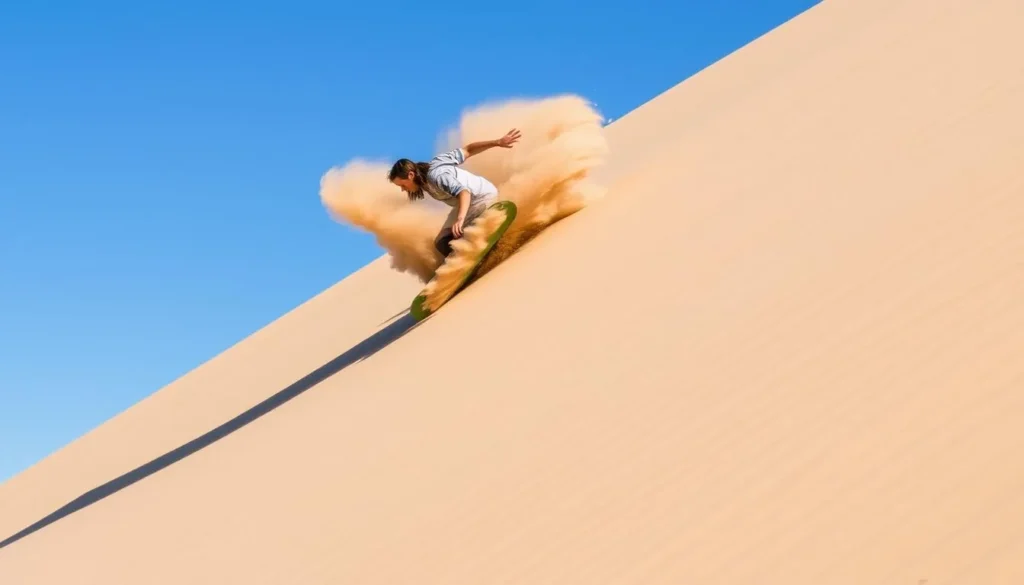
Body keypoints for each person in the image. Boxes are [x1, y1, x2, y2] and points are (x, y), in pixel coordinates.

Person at [388, 128, 521, 257]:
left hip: (481, 197)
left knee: (454, 239)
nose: (403, 189)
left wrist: (460, 219)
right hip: (469, 202)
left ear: (411, 175)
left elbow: (464, 192)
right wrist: (497, 142)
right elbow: (468, 150)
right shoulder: (434, 165)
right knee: (442, 241)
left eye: (402, 185)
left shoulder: (436, 176)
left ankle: (493, 251)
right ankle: (466, 258)